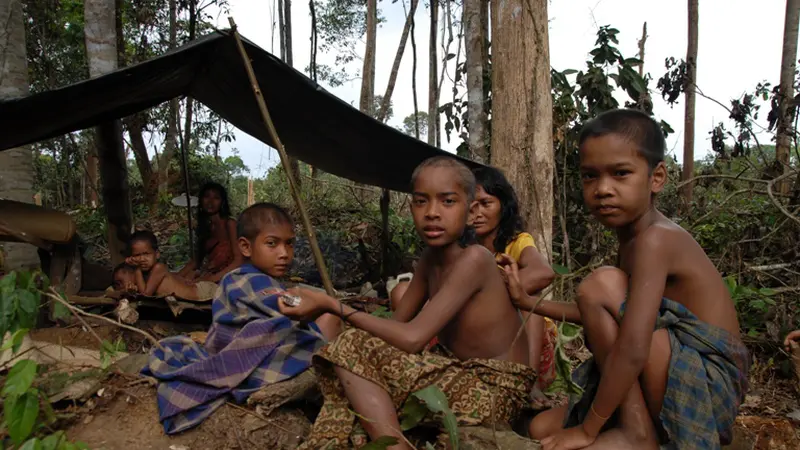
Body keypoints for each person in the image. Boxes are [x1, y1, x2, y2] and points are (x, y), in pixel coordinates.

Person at [524, 109, 750, 450]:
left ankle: (637, 434)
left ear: (657, 177)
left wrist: (588, 429)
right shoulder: (632, 239)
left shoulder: (655, 239)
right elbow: (599, 310)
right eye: (590, 176)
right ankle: (637, 427)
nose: (602, 189)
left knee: (602, 283)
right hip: (663, 375)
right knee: (540, 428)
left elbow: (632, 345)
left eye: (620, 174)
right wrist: (527, 302)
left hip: (704, 389)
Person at [280, 156, 535, 450]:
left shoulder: (476, 259)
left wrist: (332, 305)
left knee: (349, 347)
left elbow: (412, 339)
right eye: (421, 202)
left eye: (448, 202)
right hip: (458, 372)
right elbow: (396, 328)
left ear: (470, 212)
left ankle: (393, 445)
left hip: (496, 391)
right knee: (352, 351)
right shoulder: (429, 260)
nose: (432, 213)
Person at [141, 203, 340, 434]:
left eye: (289, 243)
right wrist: (327, 303)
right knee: (330, 319)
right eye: (272, 243)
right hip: (248, 361)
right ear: (245, 247)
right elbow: (286, 303)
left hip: (253, 353)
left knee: (323, 322)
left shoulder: (258, 279)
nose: (284, 253)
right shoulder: (243, 278)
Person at [177, 182, 243, 283]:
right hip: (207, 274)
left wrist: (213, 278)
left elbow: (238, 260)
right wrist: (176, 276)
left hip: (227, 277)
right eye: (207, 196)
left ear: (222, 202)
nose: (210, 201)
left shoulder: (230, 224)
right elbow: (196, 261)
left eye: (216, 198)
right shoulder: (205, 226)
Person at [126, 230, 217, 301]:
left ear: (157, 254)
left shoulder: (158, 268)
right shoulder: (145, 273)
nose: (142, 259)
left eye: (146, 254)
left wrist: (136, 268)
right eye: (137, 255)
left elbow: (145, 296)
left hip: (203, 293)